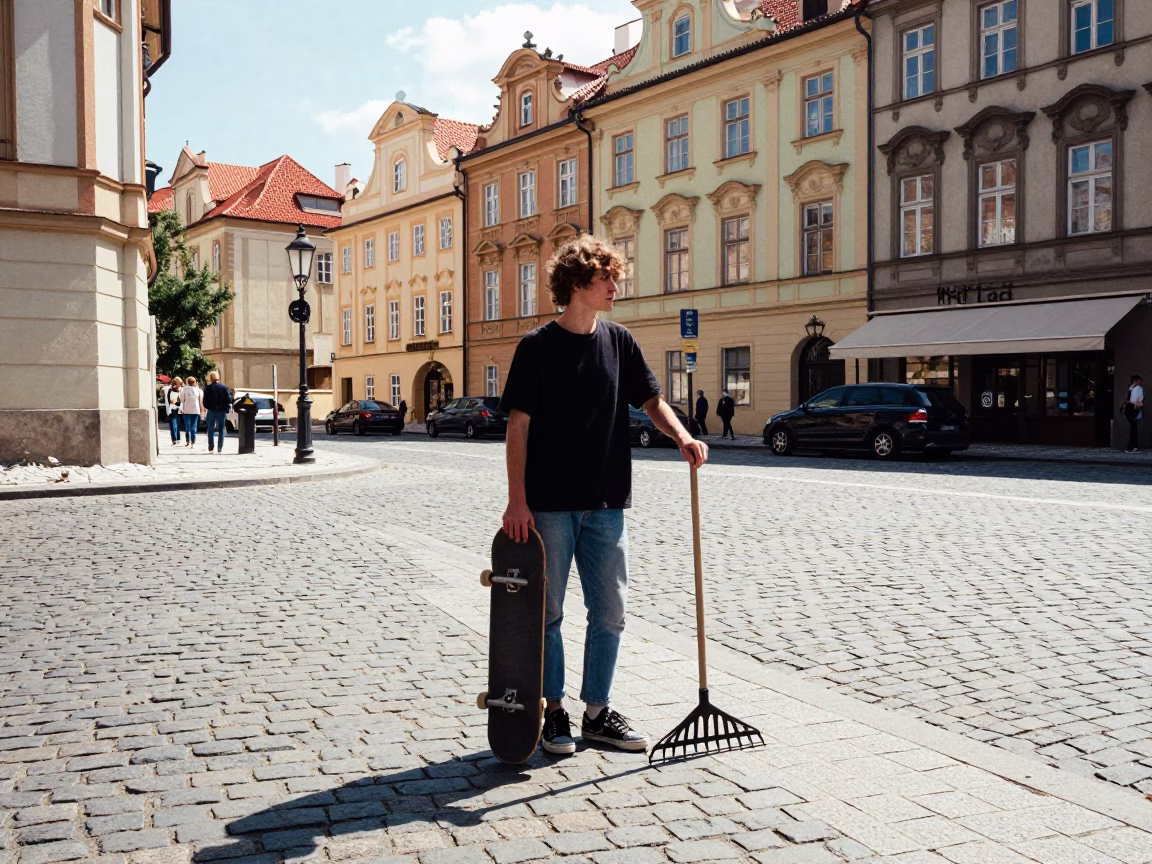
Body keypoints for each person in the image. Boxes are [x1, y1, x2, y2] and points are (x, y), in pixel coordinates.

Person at [499, 235, 708, 756]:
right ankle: (553, 710)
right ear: (576, 284)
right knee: (548, 613)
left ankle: (597, 711)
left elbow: (652, 401)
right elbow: (518, 426)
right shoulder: (536, 347)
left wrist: (682, 435)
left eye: (615, 277)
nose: (616, 286)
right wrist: (516, 500)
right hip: (549, 504)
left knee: (611, 610)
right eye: (605, 278)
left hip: (607, 502)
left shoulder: (620, 341)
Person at [203, 370, 232, 455]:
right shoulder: (224, 388)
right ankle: (220, 447)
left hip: (211, 410)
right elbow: (228, 399)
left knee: (210, 429)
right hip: (221, 410)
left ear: (210, 378)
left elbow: (204, 401)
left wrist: (209, 406)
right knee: (221, 429)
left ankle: (211, 447)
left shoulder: (207, 388)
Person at [179, 376, 204, 447]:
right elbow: (201, 401)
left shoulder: (183, 389)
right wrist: (202, 411)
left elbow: (182, 399)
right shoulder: (199, 390)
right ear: (194, 382)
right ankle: (193, 442)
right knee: (194, 426)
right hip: (196, 410)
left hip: (186, 409)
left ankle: (188, 441)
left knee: (187, 426)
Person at [1124, 374, 1144, 453]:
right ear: (1136, 381)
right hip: (1133, 410)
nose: (1140, 383)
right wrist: (1140, 403)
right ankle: (1131, 447)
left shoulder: (1131, 388)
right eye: (1139, 381)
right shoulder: (1137, 389)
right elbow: (1134, 401)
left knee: (1133, 429)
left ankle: (1134, 447)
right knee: (1133, 429)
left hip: (1129, 410)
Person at [164, 379, 182, 445]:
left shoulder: (171, 390)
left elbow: (171, 401)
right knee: (176, 424)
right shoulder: (176, 390)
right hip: (176, 408)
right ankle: (177, 439)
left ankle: (174, 439)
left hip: (172, 408)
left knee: (173, 425)